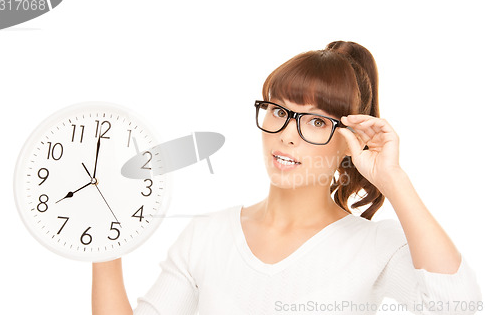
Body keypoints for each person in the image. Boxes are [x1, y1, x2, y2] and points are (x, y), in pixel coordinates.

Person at [92, 41, 482, 315]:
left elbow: (460, 306)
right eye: (279, 111)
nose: (287, 133)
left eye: (315, 120)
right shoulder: (206, 236)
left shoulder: (375, 247)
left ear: (348, 142)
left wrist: (393, 178)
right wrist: (103, 239)